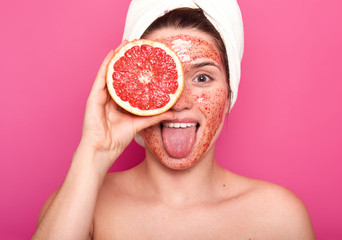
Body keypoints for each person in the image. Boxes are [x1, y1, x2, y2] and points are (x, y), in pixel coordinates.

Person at [32, 0, 316, 239]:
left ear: (229, 94)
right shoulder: (82, 205)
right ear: (132, 92)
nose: (179, 102)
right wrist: (94, 151)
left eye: (202, 78)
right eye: (158, 79)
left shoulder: (278, 216)